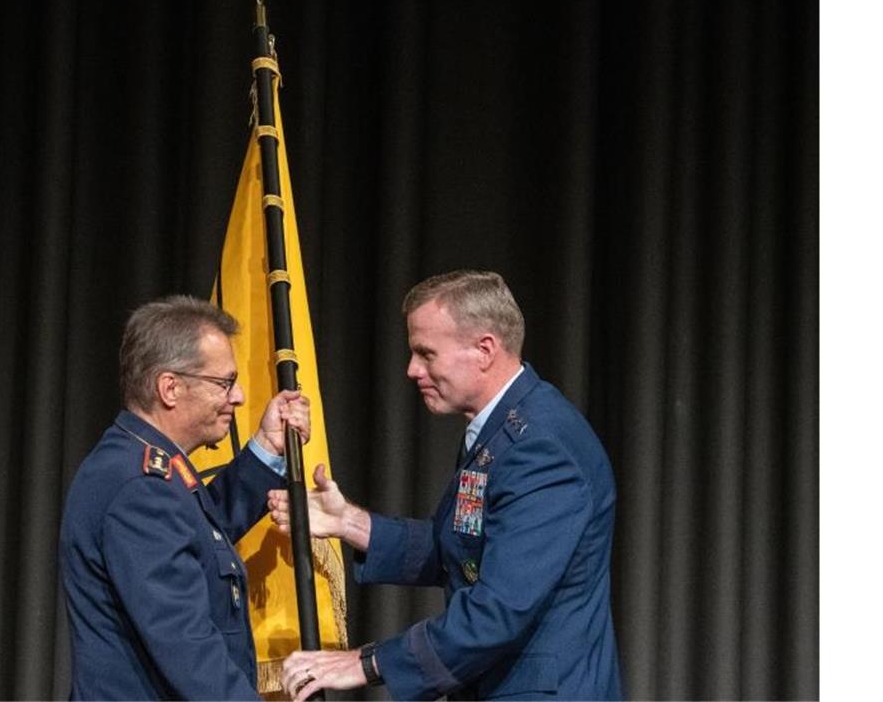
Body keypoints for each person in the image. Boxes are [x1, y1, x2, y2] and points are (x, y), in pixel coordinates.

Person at [271, 270, 622, 701]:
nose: (412, 369)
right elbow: (461, 549)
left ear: (484, 349)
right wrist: (351, 523)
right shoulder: (503, 431)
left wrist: (366, 662)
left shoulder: (542, 449)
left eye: (426, 353)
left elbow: (499, 610)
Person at [60, 295, 310, 700]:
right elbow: (187, 647)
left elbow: (201, 538)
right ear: (170, 388)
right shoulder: (139, 486)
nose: (240, 397)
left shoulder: (143, 465)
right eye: (224, 383)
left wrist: (267, 446)